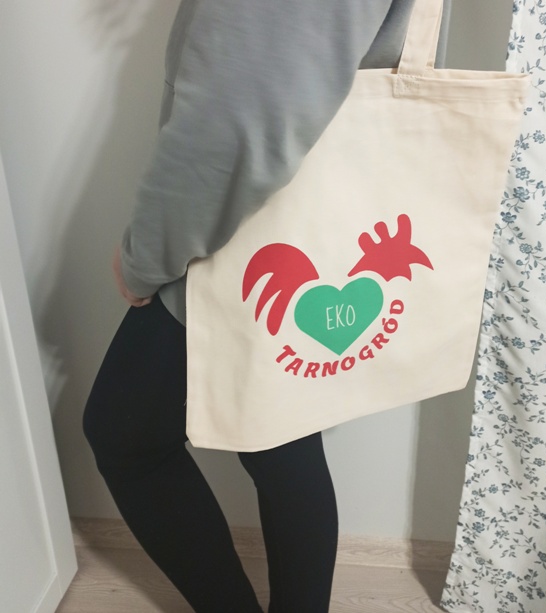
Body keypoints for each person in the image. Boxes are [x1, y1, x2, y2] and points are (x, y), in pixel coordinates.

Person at [83, 0, 450, 610]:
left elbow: (240, 115)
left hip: (244, 228)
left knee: (130, 434)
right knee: (279, 436)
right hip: (299, 219)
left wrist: (148, 254)